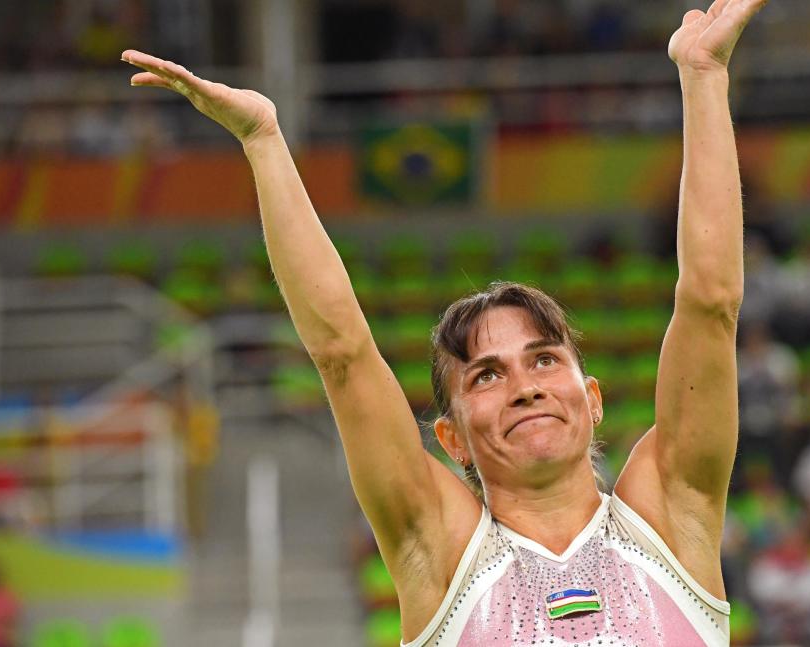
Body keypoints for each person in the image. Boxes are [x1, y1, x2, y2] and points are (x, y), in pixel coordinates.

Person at [123, 1, 765, 644]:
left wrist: (703, 76)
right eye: (487, 376)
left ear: (591, 399)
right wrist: (263, 140)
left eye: (544, 358)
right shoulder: (442, 554)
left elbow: (709, 300)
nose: (526, 385)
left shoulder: (672, 516)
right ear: (452, 440)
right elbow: (342, 354)